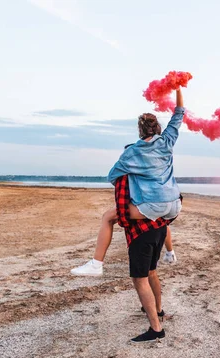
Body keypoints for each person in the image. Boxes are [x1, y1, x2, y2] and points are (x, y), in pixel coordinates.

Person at [70, 90, 185, 277]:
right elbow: (179, 112)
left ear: (140, 131)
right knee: (161, 217)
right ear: (157, 128)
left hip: (152, 205)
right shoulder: (167, 141)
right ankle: (170, 253)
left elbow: (113, 177)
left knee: (108, 217)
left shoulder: (131, 152)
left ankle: (96, 264)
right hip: (174, 204)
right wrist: (178, 88)